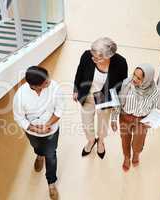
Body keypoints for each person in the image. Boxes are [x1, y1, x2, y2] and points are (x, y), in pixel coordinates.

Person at [13, 66, 64, 200]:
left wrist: (47, 125)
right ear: (35, 86)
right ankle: (39, 155)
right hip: (32, 133)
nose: (50, 82)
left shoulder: (55, 87)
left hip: (51, 131)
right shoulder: (20, 96)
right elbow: (19, 118)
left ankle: (51, 183)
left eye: (48, 78)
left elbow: (59, 110)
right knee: (37, 147)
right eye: (46, 82)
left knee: (51, 155)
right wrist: (36, 129)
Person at [73, 37, 128, 159]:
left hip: (105, 98)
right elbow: (79, 72)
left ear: (109, 56)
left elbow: (122, 84)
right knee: (87, 124)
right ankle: (91, 140)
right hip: (87, 95)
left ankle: (101, 141)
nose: (93, 59)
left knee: (103, 125)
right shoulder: (87, 56)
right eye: (93, 56)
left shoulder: (121, 63)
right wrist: (76, 89)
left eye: (97, 58)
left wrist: (116, 104)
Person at [111, 63, 160, 172]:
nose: (134, 79)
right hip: (125, 117)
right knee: (125, 140)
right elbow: (118, 102)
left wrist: (151, 121)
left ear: (146, 79)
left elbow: (154, 109)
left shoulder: (155, 91)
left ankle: (136, 154)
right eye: (134, 75)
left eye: (138, 78)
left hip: (142, 120)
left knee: (138, 142)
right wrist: (114, 118)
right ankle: (127, 157)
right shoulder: (127, 83)